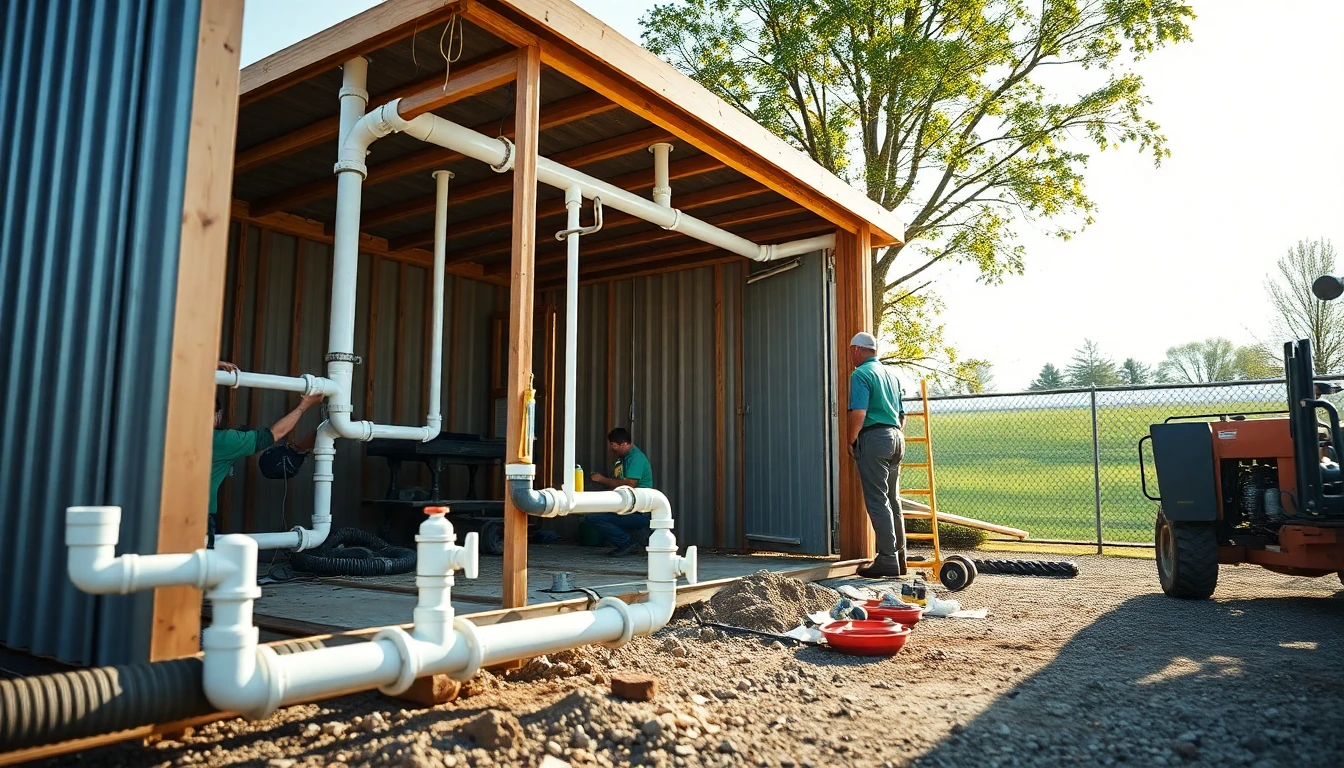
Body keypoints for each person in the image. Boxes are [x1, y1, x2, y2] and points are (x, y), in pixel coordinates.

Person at [210, 361, 322, 547]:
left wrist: (213, 364)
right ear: (218, 416)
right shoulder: (224, 441)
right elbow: (273, 434)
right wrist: (304, 405)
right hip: (199, 515)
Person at [845, 332, 908, 578]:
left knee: (877, 500)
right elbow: (902, 415)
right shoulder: (892, 376)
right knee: (893, 499)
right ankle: (900, 558)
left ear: (857, 349)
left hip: (875, 438)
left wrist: (851, 440)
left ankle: (887, 560)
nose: (850, 356)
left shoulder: (861, 374)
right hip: (896, 437)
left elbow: (859, 412)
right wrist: (892, 435)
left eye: (851, 351)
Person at [587, 427, 654, 557]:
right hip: (626, 507)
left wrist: (602, 479)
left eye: (613, 445)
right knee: (593, 514)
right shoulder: (623, 459)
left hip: (638, 512)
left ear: (623, 443)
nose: (612, 448)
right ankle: (633, 542)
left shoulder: (635, 458)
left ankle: (627, 543)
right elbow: (619, 485)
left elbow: (630, 484)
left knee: (594, 518)